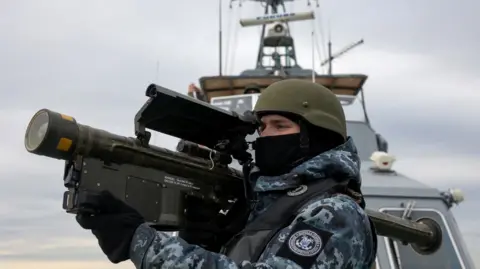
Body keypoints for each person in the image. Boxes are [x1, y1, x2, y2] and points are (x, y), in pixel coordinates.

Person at [76, 79, 377, 268]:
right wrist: (203, 242)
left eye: (280, 126)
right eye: (262, 127)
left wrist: (142, 243)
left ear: (318, 137)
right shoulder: (266, 206)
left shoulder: (335, 212)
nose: (266, 135)